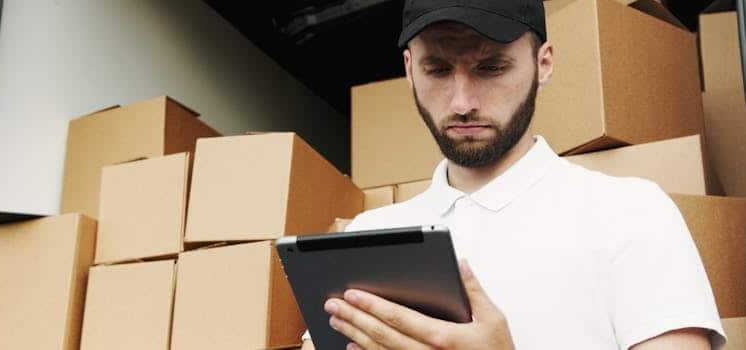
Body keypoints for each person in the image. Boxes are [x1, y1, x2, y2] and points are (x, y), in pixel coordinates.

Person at [301, 1, 726, 349]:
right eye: (438, 70)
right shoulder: (365, 236)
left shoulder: (631, 212)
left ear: (543, 64)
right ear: (410, 70)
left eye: (491, 68)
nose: (462, 101)